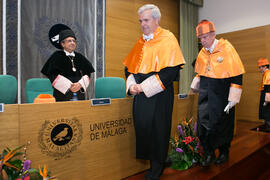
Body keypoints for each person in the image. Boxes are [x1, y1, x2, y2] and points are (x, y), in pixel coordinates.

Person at [123, 4, 185, 180]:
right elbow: (130, 68)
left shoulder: (168, 38)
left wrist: (144, 87)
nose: (142, 24)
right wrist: (132, 85)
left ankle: (157, 167)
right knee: (144, 128)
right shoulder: (140, 42)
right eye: (140, 21)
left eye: (146, 20)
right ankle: (157, 159)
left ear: (157, 20)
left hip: (159, 93)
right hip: (141, 95)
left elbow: (170, 72)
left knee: (158, 129)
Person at [190, 20, 245, 166]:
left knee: (222, 125)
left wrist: (233, 98)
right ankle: (208, 153)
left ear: (213, 34)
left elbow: (237, 74)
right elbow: (200, 72)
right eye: (200, 38)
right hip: (205, 95)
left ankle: (223, 152)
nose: (202, 41)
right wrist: (194, 86)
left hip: (222, 95)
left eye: (205, 37)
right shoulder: (202, 52)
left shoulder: (226, 48)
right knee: (204, 124)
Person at [41, 29, 95, 101]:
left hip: (79, 93)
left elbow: (87, 73)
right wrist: (69, 86)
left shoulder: (80, 57)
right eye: (69, 41)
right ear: (63, 44)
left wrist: (80, 84)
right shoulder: (56, 56)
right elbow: (51, 75)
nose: (72, 43)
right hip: (62, 94)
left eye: (74, 41)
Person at [257, 58, 270, 131]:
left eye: (260, 67)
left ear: (265, 67)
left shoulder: (268, 74)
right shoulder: (266, 73)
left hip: (268, 102)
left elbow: (269, 89)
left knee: (268, 118)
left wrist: (266, 102)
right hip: (267, 101)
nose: (259, 69)